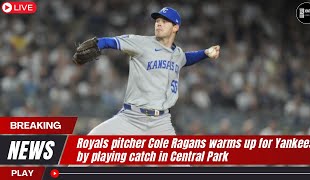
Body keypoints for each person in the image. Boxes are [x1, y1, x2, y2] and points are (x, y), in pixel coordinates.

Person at [80, 7, 220, 135]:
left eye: (165, 21)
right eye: (157, 20)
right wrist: (99, 44)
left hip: (161, 123)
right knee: (91, 143)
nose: (159, 23)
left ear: (175, 27)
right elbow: (110, 41)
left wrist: (205, 53)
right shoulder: (141, 43)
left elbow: (185, 59)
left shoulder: (177, 53)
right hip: (131, 118)